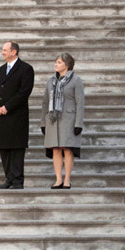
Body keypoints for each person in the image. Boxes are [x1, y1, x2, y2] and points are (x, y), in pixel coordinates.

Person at [0, 41, 35, 189]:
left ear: (14, 52)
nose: (2, 52)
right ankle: (9, 178)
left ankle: (17, 180)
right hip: (1, 116)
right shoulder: (1, 69)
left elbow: (24, 92)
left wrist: (7, 107)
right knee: (4, 148)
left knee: (16, 149)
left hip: (16, 116)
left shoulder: (26, 69)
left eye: (5, 50)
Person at [40, 53, 85, 189]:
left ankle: (67, 180)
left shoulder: (76, 80)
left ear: (67, 65)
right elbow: (45, 103)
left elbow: (80, 103)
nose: (56, 64)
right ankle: (58, 179)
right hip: (52, 121)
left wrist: (78, 123)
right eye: (56, 62)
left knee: (68, 150)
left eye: (59, 62)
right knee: (56, 150)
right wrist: (43, 122)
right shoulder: (50, 81)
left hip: (69, 120)